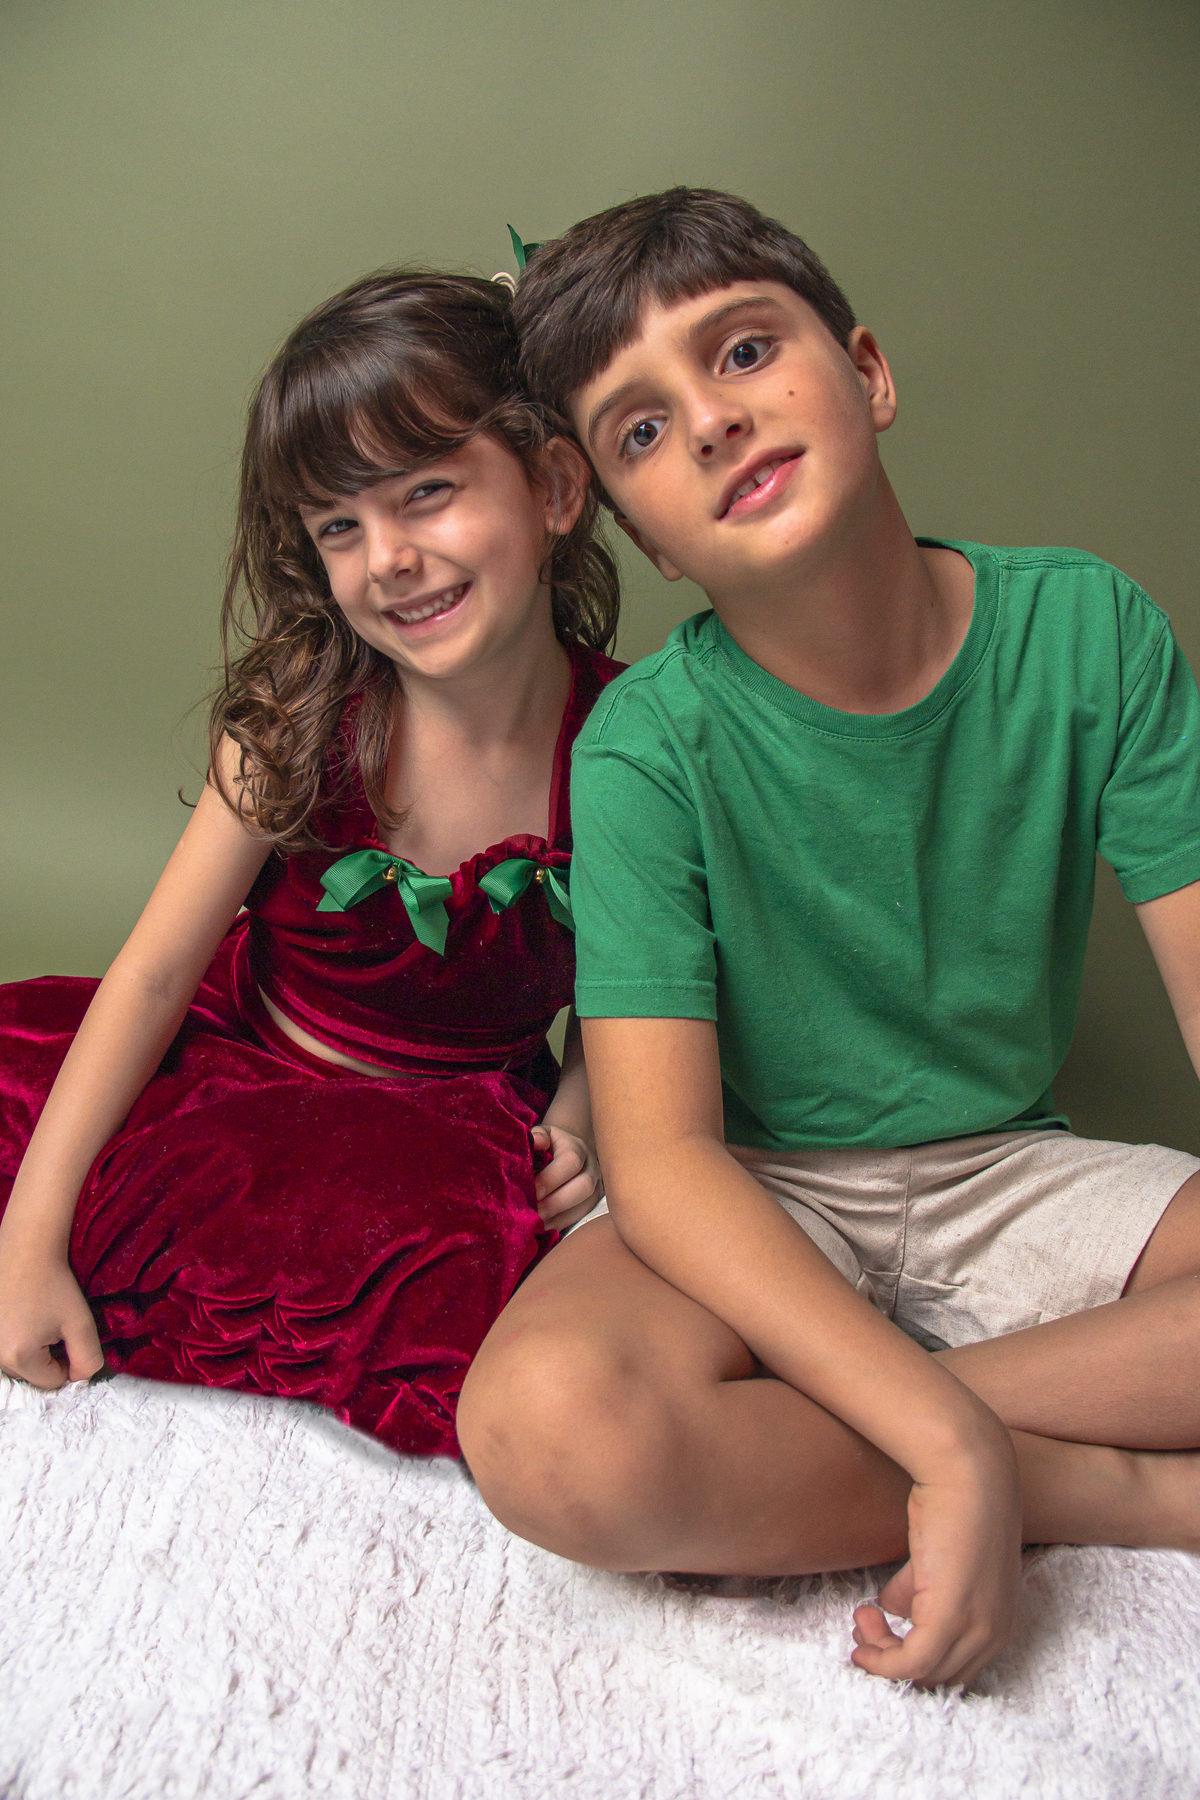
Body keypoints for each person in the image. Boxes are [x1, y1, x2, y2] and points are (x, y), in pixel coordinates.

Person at [457, 188, 1200, 1686]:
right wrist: (949, 1446)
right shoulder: (644, 746)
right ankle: (1102, 1487)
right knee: (547, 1430)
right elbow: (666, 1163)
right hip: (757, 1191)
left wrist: (933, 1408)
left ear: (867, 373)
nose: (712, 422)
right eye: (642, 429)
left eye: (742, 352)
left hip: (1011, 1170)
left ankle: (910, 1431)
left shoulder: (1092, 632)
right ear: (646, 540)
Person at [0, 269, 623, 1457]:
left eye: (426, 494)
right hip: (241, 1062)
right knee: (47, 1161)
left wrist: (580, 1124)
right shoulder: (302, 719)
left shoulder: (628, 747)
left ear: (552, 486)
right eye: (340, 525)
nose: (387, 558)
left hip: (449, 1119)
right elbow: (150, 976)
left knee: (465, 1290)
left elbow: (621, 983)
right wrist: (28, 1243)